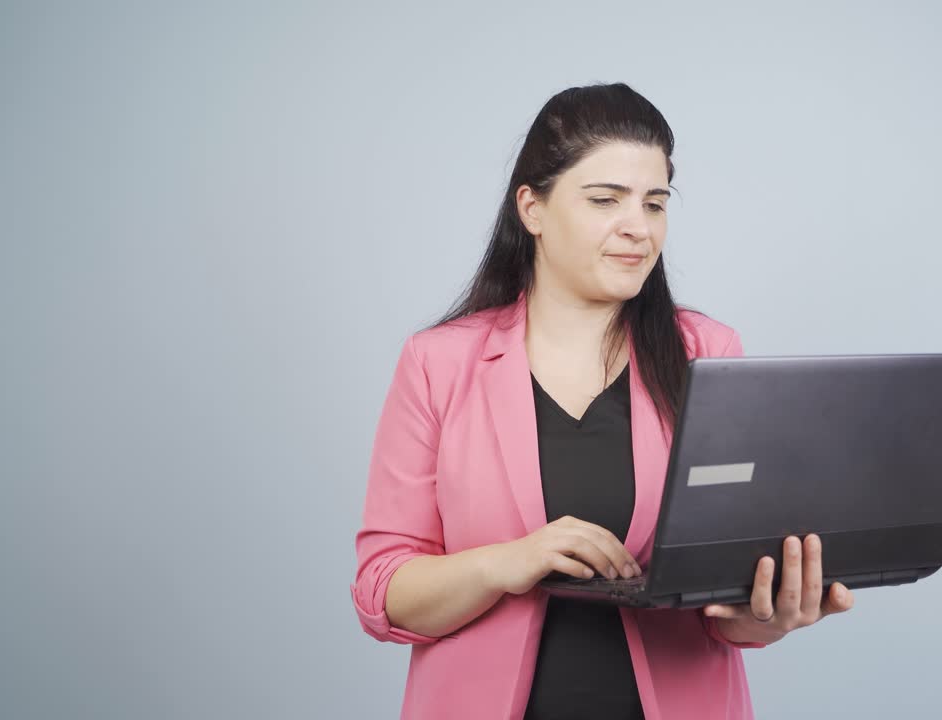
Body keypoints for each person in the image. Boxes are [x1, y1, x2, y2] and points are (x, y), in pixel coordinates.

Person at [350, 82, 855, 720]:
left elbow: (724, 614)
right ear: (532, 208)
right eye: (605, 200)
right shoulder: (438, 363)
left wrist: (771, 615)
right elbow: (380, 589)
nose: (637, 229)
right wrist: (510, 561)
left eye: (654, 203)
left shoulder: (708, 353)